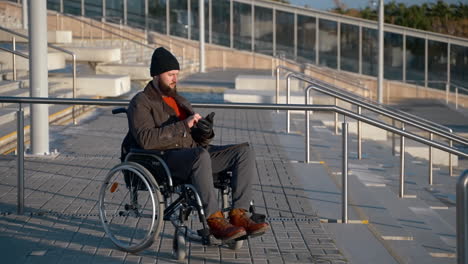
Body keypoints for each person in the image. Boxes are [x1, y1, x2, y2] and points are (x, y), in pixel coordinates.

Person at [122, 47, 269, 242]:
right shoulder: (141, 101)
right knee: (200, 156)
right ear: (156, 75)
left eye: (177, 74)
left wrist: (205, 132)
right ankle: (215, 220)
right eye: (170, 74)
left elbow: (198, 140)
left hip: (194, 153)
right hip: (164, 159)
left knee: (244, 151)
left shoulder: (179, 99)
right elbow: (146, 140)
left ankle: (239, 214)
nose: (175, 79)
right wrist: (183, 125)